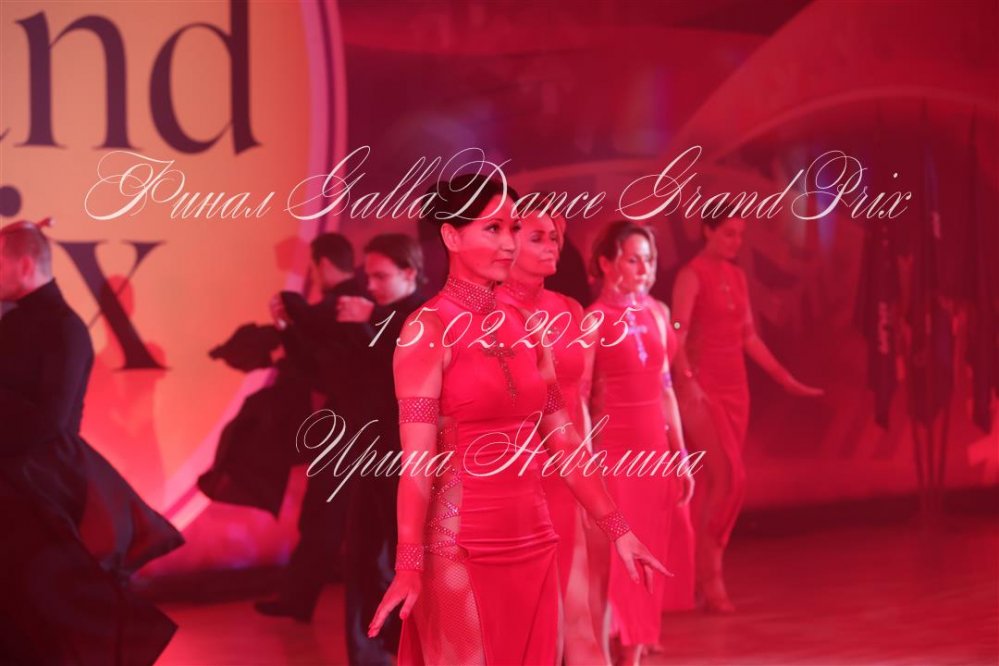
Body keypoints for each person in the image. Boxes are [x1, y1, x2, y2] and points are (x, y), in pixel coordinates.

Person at [366, 175, 668, 664]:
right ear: (451, 236)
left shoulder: (526, 326)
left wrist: (620, 529)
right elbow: (417, 465)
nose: (508, 243)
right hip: (460, 545)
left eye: (512, 228)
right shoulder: (428, 328)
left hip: (535, 540)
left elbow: (565, 442)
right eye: (493, 229)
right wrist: (408, 565)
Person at [0, 220, 183, 664]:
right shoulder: (15, 322)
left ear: (24, 265)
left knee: (42, 601)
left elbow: (50, 420)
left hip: (42, 484)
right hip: (17, 478)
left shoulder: (65, 329)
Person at [671, 209, 822, 613]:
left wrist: (783, 377)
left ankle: (698, 577)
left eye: (740, 235)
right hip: (703, 389)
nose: (735, 242)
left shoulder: (736, 277)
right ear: (707, 230)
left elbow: (749, 336)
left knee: (716, 485)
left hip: (736, 388)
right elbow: (676, 333)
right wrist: (687, 379)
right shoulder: (691, 275)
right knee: (729, 478)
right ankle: (711, 577)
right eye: (728, 234)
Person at [496, 207, 607, 665]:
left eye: (555, 237)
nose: (551, 246)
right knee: (527, 625)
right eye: (538, 237)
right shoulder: (488, 312)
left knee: (577, 615)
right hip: (516, 480)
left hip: (565, 476)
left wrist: (589, 473)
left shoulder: (570, 310)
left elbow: (581, 398)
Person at [584, 220, 693, 665]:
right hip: (613, 450)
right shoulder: (593, 320)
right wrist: (587, 459)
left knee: (650, 551)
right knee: (617, 557)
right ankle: (608, 652)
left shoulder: (658, 313)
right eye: (634, 260)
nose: (645, 269)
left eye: (649, 259)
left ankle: (632, 655)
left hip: (655, 451)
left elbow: (666, 389)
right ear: (607, 263)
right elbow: (582, 397)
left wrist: (680, 455)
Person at [255, 232, 369, 623]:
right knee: (327, 514)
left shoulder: (344, 306)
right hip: (353, 425)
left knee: (326, 514)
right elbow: (315, 363)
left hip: (350, 427)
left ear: (322, 264)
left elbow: (312, 358)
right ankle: (298, 599)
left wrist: (290, 314)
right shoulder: (344, 309)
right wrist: (289, 324)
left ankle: (299, 600)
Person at [335, 233, 427, 664]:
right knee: (361, 554)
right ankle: (368, 652)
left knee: (404, 556)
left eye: (380, 276)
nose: (370, 285)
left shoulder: (424, 315)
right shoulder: (372, 316)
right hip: (370, 454)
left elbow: (413, 357)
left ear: (409, 273)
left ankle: (406, 646)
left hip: (409, 458)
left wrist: (371, 320)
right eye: (367, 277)